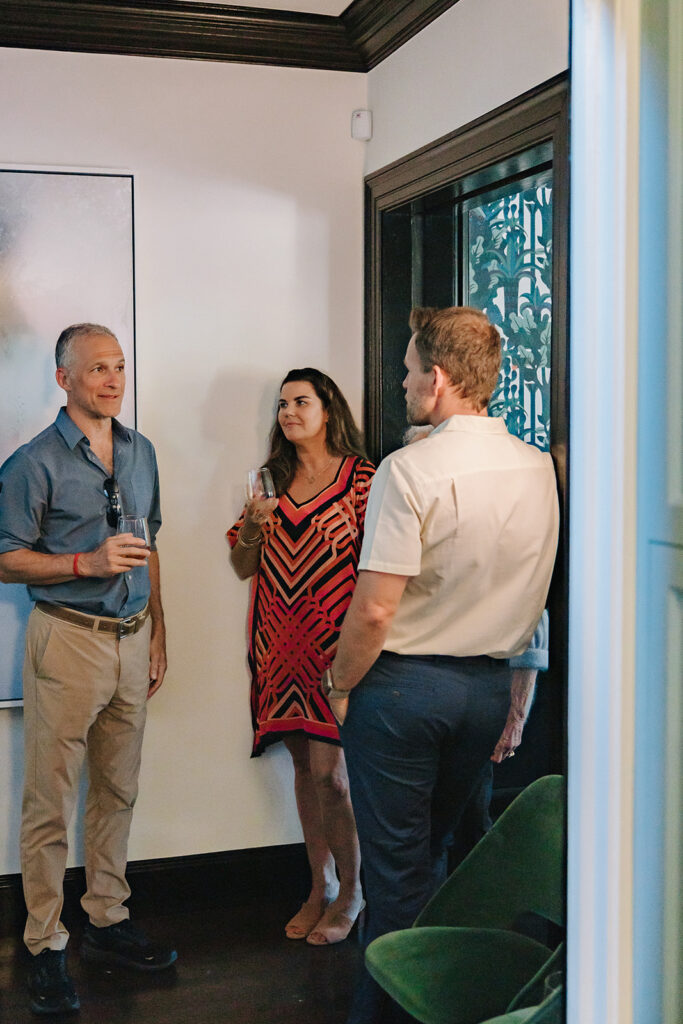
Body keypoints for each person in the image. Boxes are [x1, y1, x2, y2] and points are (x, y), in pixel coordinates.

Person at [320, 307, 560, 1023]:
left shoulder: (409, 468)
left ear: (439, 378)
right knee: (431, 861)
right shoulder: (538, 466)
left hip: (402, 691)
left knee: (395, 878)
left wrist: (337, 684)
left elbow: (372, 610)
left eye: (408, 369)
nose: (400, 382)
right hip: (485, 689)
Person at [0, 323, 176, 1017]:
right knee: (50, 799)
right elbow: (5, 557)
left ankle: (106, 917)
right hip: (66, 639)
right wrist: (85, 564)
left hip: (131, 640)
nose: (112, 379)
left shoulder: (142, 452)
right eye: (97, 368)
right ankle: (44, 941)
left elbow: (150, 545)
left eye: (120, 367)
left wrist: (161, 628)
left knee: (117, 789)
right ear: (63, 378)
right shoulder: (31, 463)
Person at [228, 368, 374, 946]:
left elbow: (379, 567)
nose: (288, 412)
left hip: (336, 653)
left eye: (300, 401)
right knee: (303, 774)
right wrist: (253, 530)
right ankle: (319, 885)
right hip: (277, 650)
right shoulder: (270, 481)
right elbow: (244, 566)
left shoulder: (362, 480)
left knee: (331, 776)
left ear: (328, 408)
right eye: (282, 403)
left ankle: (353, 891)